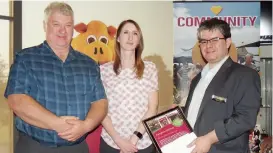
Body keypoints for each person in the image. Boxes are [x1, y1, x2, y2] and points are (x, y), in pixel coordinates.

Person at [4, 2, 107, 153]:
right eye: (56, 24)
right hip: (35, 147)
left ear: (73, 29)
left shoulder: (89, 64)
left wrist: (86, 125)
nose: (62, 30)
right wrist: (56, 124)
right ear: (45, 25)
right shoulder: (26, 59)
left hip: (77, 148)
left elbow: (100, 103)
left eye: (68, 25)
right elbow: (17, 100)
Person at [183, 18, 261, 153]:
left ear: (228, 42)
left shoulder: (245, 75)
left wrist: (209, 138)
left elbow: (246, 118)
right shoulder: (197, 79)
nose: (209, 46)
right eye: (204, 41)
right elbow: (200, 113)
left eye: (215, 40)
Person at [99, 19, 159, 153]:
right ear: (118, 38)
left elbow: (152, 108)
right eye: (126, 32)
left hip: (141, 142)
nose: (130, 37)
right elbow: (100, 110)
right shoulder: (104, 70)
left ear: (139, 40)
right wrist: (119, 141)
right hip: (111, 142)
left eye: (135, 33)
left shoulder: (150, 68)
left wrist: (133, 140)